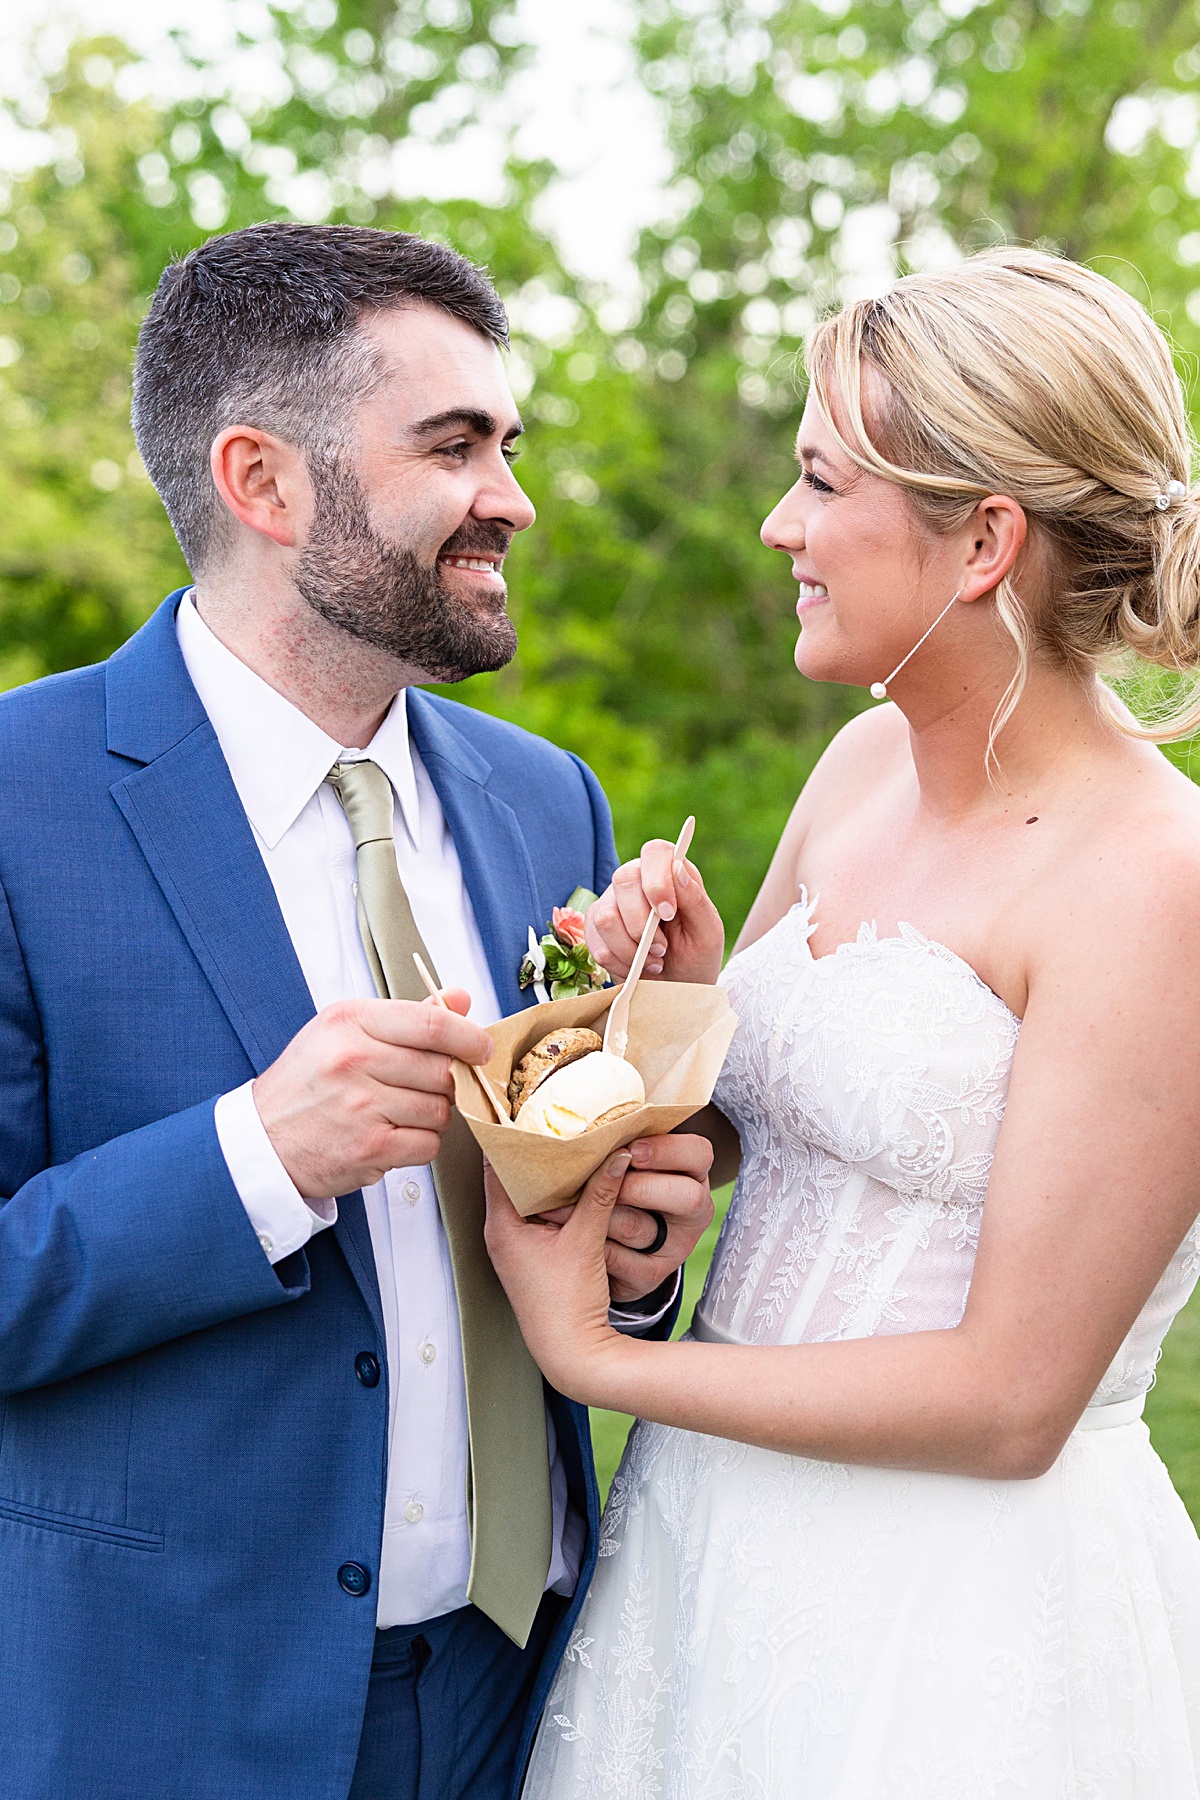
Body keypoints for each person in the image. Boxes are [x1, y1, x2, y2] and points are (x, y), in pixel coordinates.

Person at [0, 221, 716, 1800]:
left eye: (509, 444)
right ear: (263, 481)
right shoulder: (16, 797)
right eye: (455, 446)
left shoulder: (552, 803)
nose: (513, 498)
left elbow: (557, 1245)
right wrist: (258, 1155)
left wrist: (634, 1249)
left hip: (520, 1691)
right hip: (169, 1705)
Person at [487, 249, 1200, 1796]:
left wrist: (597, 1360)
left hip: (954, 1610)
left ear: (982, 542)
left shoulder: (1157, 885)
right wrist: (673, 1005)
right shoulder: (863, 766)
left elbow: (1013, 1401)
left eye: (820, 482)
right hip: (714, 1552)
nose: (779, 527)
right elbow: (766, 1129)